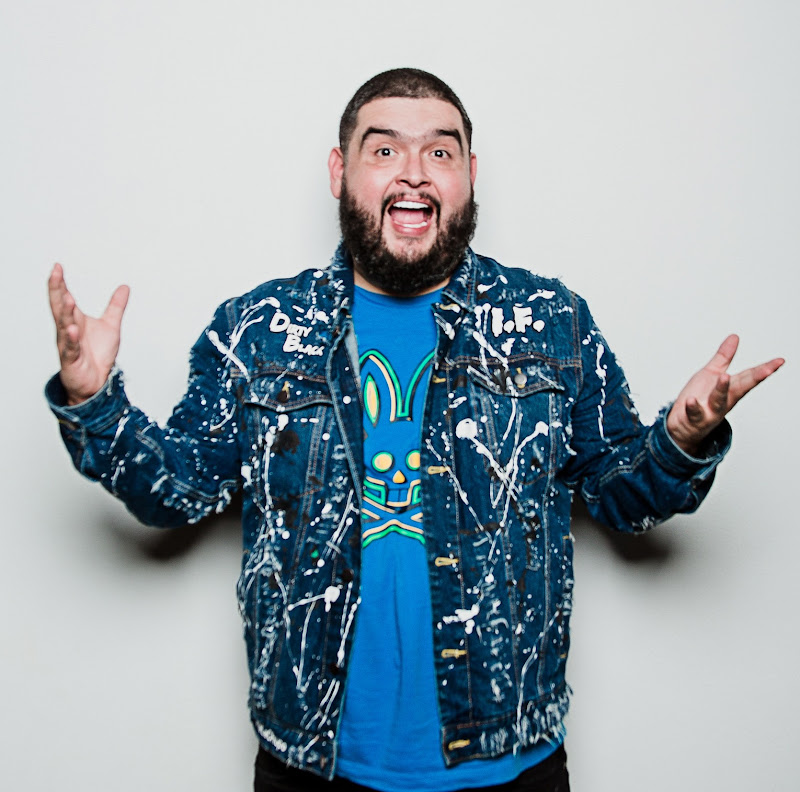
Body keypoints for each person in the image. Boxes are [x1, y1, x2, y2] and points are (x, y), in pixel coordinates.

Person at [46, 69, 783, 792]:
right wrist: (94, 402)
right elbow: (177, 492)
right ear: (339, 172)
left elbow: (621, 499)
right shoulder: (257, 330)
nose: (414, 173)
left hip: (511, 765)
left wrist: (681, 439)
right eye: (384, 149)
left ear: (469, 174)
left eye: (439, 151)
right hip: (310, 763)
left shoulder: (551, 323)